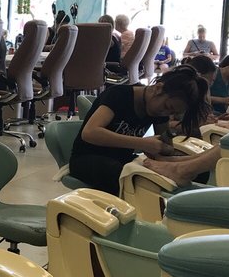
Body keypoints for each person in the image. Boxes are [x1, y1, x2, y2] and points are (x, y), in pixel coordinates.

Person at [69, 65, 211, 195]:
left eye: (172, 112)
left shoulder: (158, 110)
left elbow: (164, 144)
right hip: (86, 158)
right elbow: (90, 132)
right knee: (129, 176)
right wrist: (142, 143)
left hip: (123, 160)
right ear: (158, 88)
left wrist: (168, 151)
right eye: (168, 107)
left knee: (200, 173)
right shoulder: (119, 95)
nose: (166, 113)